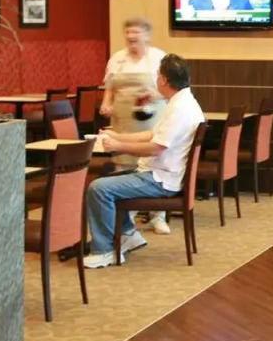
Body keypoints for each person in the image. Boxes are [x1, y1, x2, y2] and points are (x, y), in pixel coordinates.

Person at [83, 54, 204, 268]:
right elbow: (152, 134)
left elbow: (157, 147)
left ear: (164, 80)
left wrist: (119, 146)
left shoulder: (180, 109)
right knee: (107, 180)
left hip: (161, 180)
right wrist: (118, 137)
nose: (156, 80)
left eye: (157, 76)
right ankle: (128, 235)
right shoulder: (183, 102)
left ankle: (106, 251)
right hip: (161, 173)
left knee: (99, 189)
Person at [100, 18, 167, 172]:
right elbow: (110, 87)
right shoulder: (117, 58)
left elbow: (171, 89)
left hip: (151, 120)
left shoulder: (159, 58)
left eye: (136, 32)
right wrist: (106, 104)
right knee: (122, 162)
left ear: (147, 36)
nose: (131, 36)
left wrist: (156, 95)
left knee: (148, 161)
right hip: (122, 122)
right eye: (128, 32)